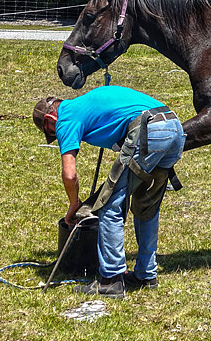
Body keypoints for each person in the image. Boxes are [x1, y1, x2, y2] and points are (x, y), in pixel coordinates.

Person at [32, 85, 185, 299]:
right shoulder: (83, 104)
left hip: (149, 130)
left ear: (50, 118)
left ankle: (111, 280)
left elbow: (69, 174)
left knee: (110, 204)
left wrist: (74, 204)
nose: (55, 136)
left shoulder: (65, 117)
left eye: (50, 131)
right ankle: (146, 275)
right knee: (146, 205)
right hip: (174, 127)